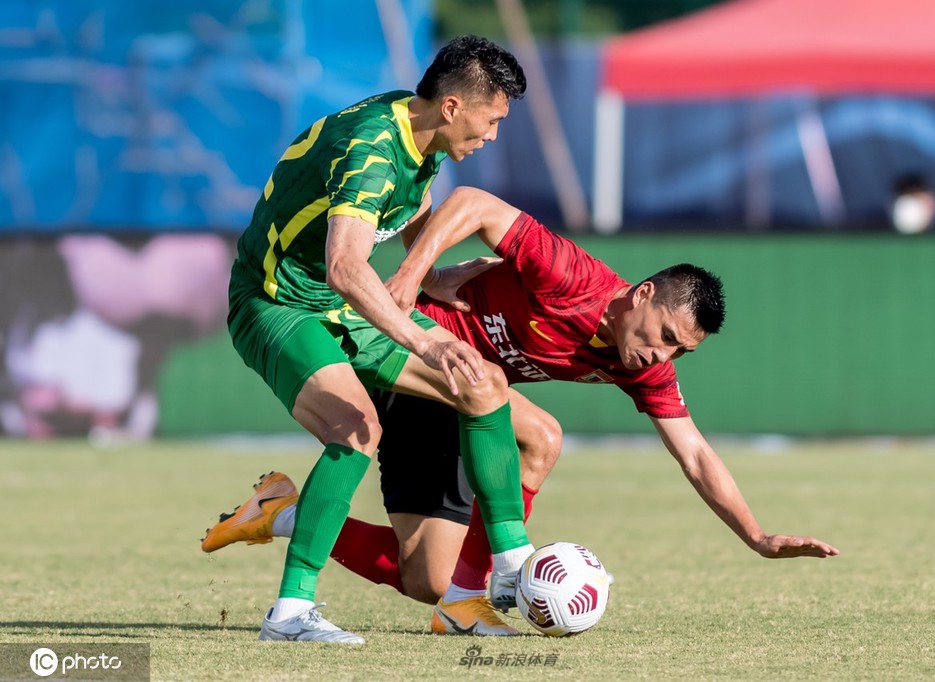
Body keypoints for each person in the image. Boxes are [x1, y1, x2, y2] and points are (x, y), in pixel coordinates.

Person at [205, 187, 840, 636]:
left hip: (467, 401)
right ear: (643, 294)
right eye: (666, 335)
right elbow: (472, 202)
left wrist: (757, 537)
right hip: (412, 361)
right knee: (540, 434)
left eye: (680, 351)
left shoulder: (641, 365)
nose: (662, 355)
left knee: (424, 578)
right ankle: (485, 585)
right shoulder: (573, 277)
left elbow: (695, 454)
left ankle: (284, 515)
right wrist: (417, 277)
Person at [223, 37, 539, 644]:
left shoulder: (417, 128)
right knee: (356, 429)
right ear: (452, 106)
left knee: (483, 384)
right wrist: (425, 343)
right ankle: (289, 613)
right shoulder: (371, 147)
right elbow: (345, 267)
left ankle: (508, 562)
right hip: (277, 303)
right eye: (492, 120)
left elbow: (411, 198)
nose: (493, 134)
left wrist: (432, 275)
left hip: (338, 302)